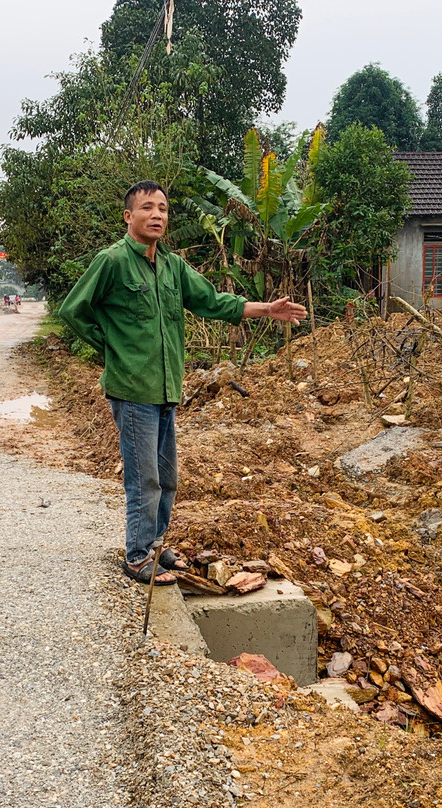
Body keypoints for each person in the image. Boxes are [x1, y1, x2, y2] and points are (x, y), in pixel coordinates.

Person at [59, 180, 307, 584]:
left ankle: (155, 545)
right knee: (145, 478)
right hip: (132, 388)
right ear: (129, 216)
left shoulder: (173, 267)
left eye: (163, 208)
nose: (157, 215)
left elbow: (213, 301)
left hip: (166, 389)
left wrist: (267, 308)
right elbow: (74, 310)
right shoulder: (113, 261)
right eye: (147, 208)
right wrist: (112, 348)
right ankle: (137, 556)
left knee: (167, 477)